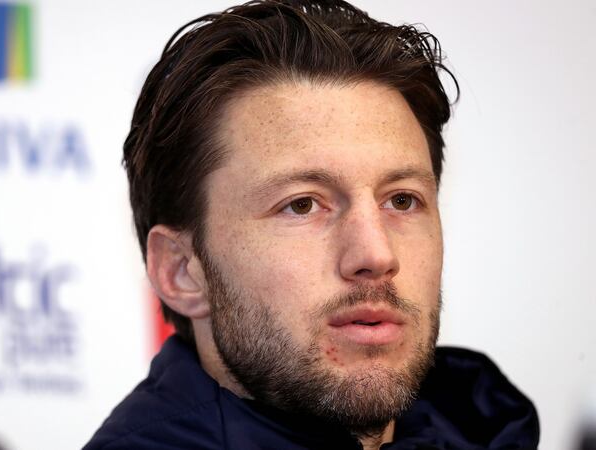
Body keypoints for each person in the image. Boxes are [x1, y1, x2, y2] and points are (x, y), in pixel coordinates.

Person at [85, 1, 540, 448]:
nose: (377, 255)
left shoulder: (485, 428)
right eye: (302, 205)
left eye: (402, 200)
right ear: (182, 270)